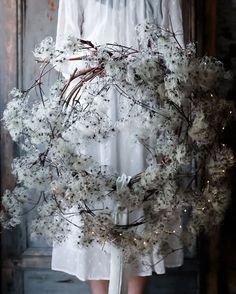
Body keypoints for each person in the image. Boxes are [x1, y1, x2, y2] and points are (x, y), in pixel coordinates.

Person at [52, 1, 184, 293]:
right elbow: (65, 48)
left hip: (145, 107)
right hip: (93, 107)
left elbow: (175, 47)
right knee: (94, 204)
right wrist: (102, 69)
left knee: (143, 203)